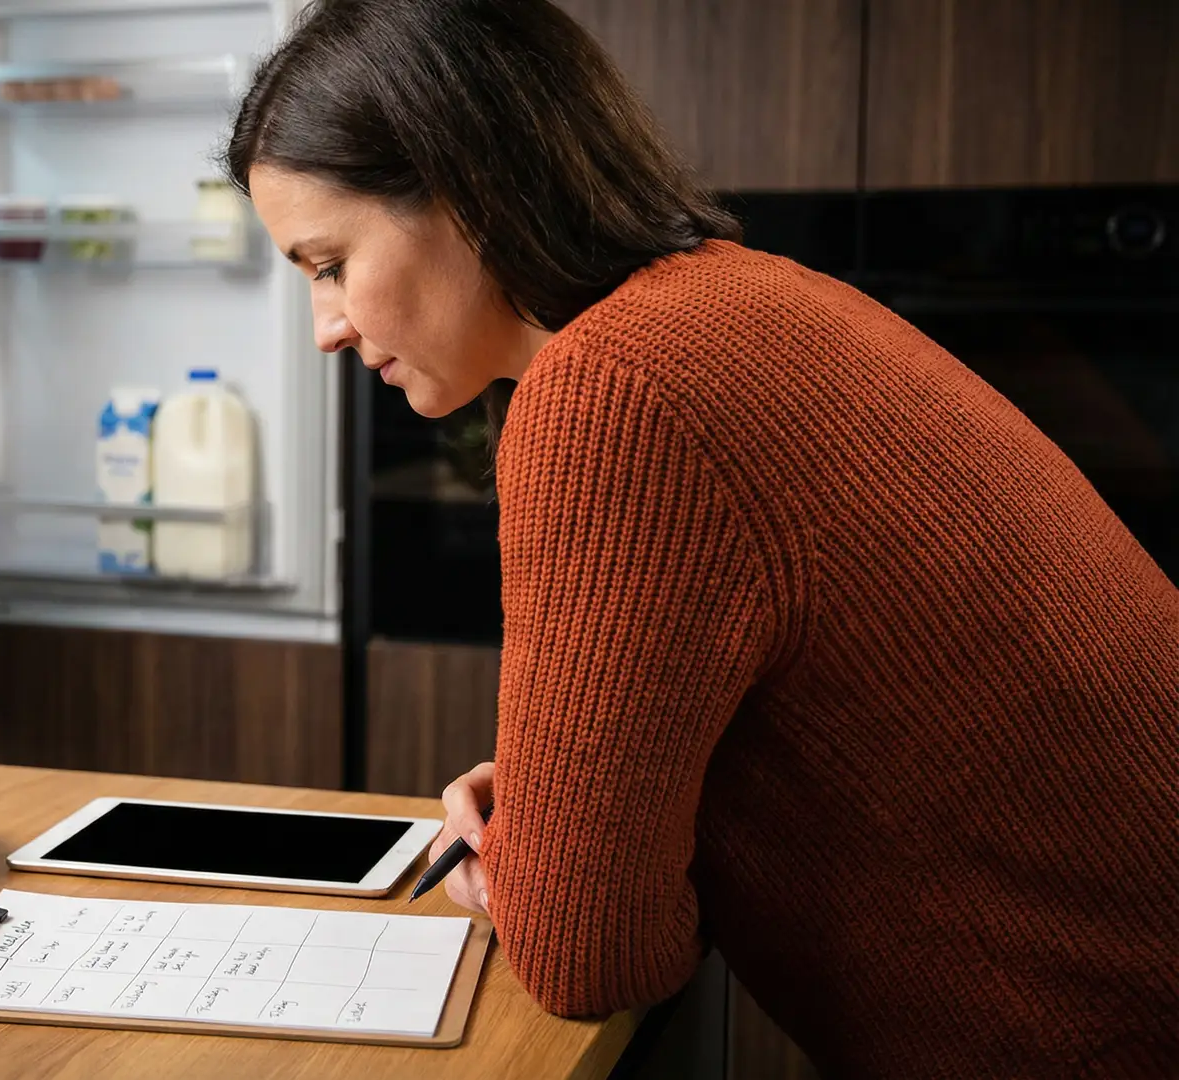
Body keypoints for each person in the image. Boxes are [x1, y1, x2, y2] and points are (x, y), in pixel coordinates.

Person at [226, 1, 1179, 1077]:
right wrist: (564, 805)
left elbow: (591, 958)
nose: (326, 328)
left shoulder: (614, 391)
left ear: (465, 188)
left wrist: (545, 862)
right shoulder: (731, 300)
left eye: (329, 263)